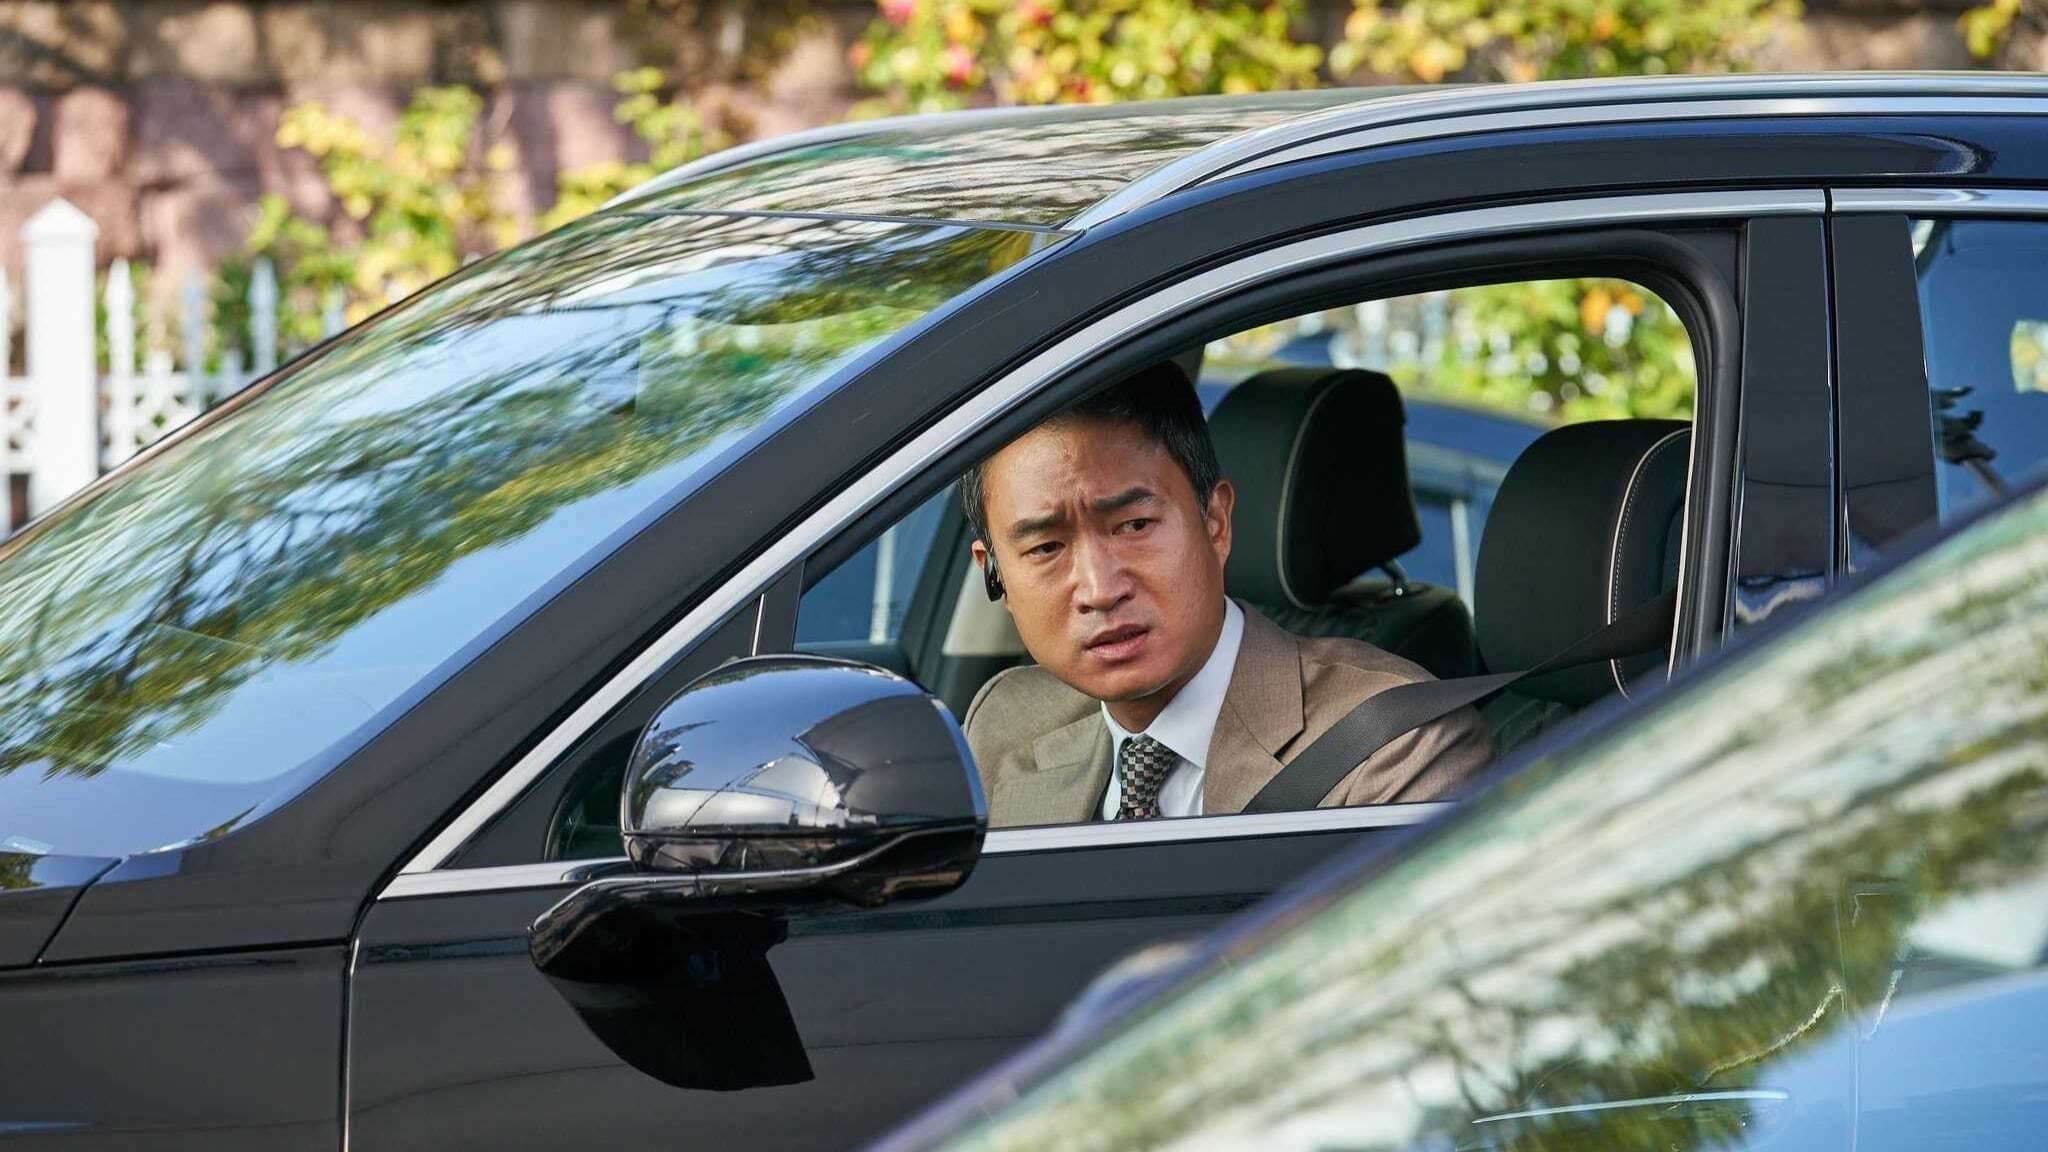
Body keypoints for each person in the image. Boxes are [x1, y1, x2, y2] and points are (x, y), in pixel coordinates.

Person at [961, 360, 1490, 827]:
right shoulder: (1005, 725)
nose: (1100, 590)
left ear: (1215, 521)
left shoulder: (1393, 744)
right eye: (1046, 547)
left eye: (1135, 525)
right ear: (995, 575)